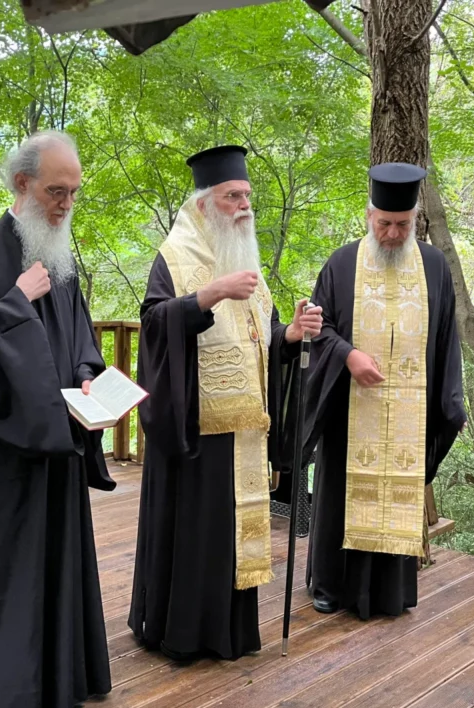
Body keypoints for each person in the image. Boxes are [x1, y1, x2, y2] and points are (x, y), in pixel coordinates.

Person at [0, 130, 114, 708]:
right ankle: (0, 692)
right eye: (55, 191)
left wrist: (90, 381)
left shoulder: (61, 256)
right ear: (21, 184)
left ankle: (60, 678)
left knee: (57, 563)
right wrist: (15, 300)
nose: (65, 204)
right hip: (0, 460)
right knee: (4, 575)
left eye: (73, 193)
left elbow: (81, 343)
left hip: (56, 446)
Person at [129, 145, 323, 661]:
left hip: (245, 430)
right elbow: (152, 326)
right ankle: (186, 634)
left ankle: (232, 633)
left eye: (246, 196)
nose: (243, 206)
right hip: (197, 431)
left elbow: (261, 339)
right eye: (232, 196)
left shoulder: (246, 260)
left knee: (237, 536)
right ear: (202, 206)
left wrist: (291, 334)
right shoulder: (174, 257)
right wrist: (208, 295)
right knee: (200, 534)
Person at [303, 162, 466, 619]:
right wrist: (348, 357)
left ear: (415, 220)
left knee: (398, 492)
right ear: (369, 217)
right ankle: (331, 587)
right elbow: (321, 329)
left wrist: (449, 401)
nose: (393, 234)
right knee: (340, 496)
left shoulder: (434, 265)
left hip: (410, 414)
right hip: (349, 408)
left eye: (403, 224)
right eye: (385, 224)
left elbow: (445, 338)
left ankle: (388, 593)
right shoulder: (341, 263)